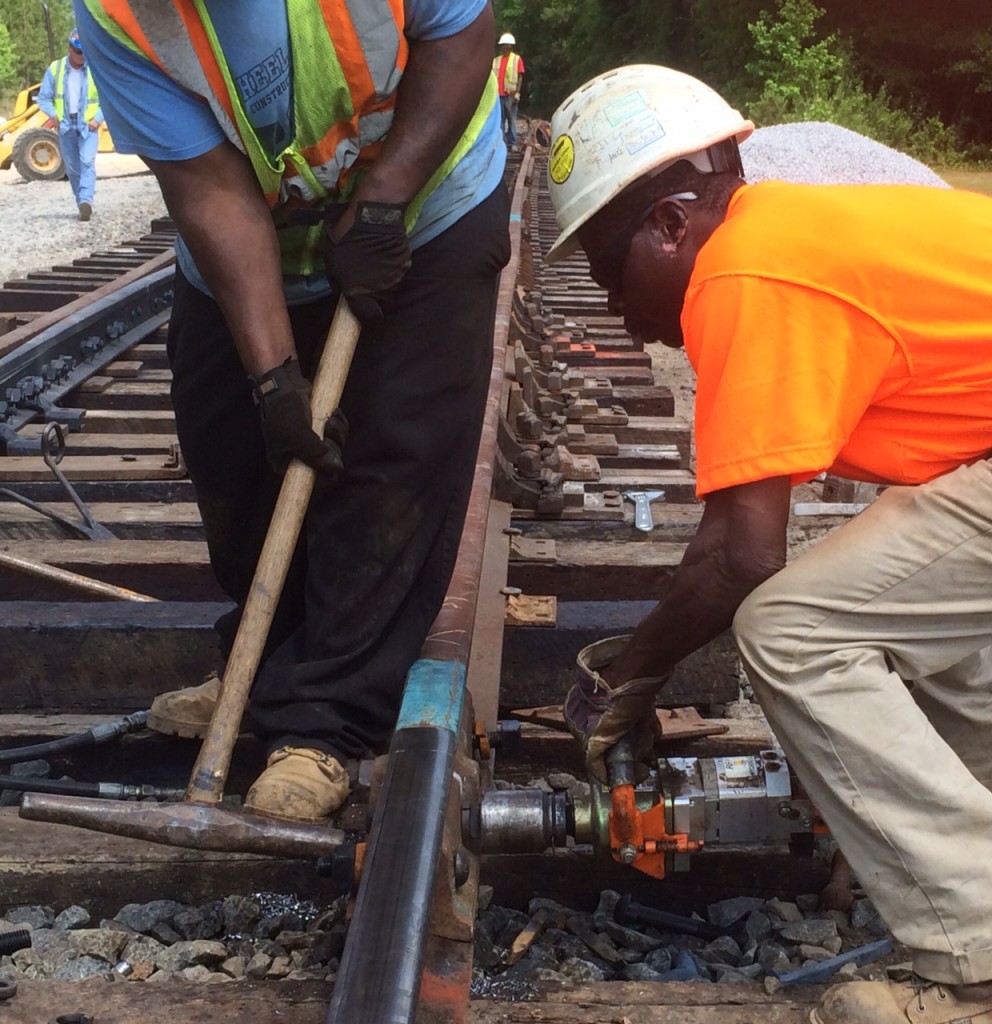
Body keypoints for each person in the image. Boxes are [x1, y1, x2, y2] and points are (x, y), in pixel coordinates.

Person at [546, 64, 992, 1024]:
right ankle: (959, 879)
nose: (614, 309)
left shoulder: (744, 273)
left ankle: (980, 961)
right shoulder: (783, 226)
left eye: (606, 269)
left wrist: (631, 677)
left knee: (794, 630)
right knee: (939, 639)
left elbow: (742, 557)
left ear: (671, 223)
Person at [73, 0, 509, 824]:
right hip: (262, 227)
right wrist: (274, 379)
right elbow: (208, 188)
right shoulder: (117, 13)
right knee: (232, 447)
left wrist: (385, 192)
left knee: (390, 459)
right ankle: (265, 666)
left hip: (428, 204)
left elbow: (461, 34)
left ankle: (324, 719)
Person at [36, 27, 104, 221]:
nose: (82, 56)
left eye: (84, 52)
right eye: (78, 52)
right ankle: (80, 204)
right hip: (65, 125)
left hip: (88, 126)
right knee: (73, 169)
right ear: (70, 49)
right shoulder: (55, 69)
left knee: (87, 162)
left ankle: (86, 201)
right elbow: (44, 98)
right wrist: (54, 116)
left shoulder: (94, 69)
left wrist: (97, 118)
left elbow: (107, 99)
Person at [492, 32, 525, 150]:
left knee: (511, 119)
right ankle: (501, 143)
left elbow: (520, 76)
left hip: (510, 95)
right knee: (499, 121)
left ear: (509, 46)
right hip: (497, 95)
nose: (503, 48)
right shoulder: (496, 60)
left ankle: (512, 142)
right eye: (502, 45)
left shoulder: (516, 59)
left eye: (505, 45)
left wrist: (517, 93)